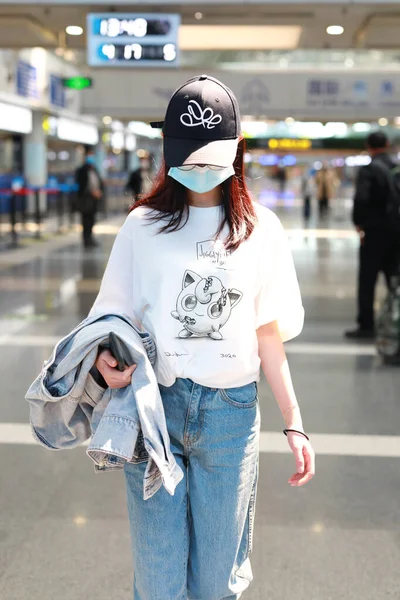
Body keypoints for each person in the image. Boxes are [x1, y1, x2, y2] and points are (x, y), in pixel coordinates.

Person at [89, 75, 315, 599]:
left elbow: (268, 333)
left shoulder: (262, 229)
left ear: (237, 149)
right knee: (159, 581)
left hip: (230, 418)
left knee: (217, 585)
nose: (198, 170)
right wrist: (106, 362)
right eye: (187, 158)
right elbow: (112, 320)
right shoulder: (142, 226)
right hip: (154, 412)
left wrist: (295, 423)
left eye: (210, 157)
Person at [345, 131, 400, 339]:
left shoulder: (369, 170)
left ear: (369, 146)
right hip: (397, 231)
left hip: (375, 232)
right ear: (387, 144)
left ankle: (367, 325)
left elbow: (361, 199)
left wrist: (359, 224)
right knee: (395, 278)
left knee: (368, 280)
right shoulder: (396, 168)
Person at [75, 146, 104, 248]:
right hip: (85, 200)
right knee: (85, 220)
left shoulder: (95, 169)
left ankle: (90, 238)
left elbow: (99, 182)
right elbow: (81, 186)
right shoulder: (81, 170)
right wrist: (91, 192)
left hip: (94, 200)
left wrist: (99, 192)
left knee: (92, 220)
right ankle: (86, 239)